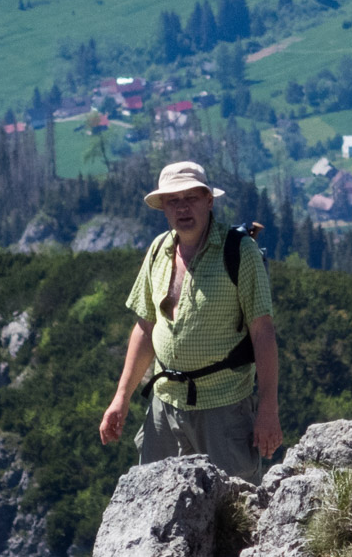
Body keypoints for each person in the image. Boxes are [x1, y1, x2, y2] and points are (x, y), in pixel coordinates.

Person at [99, 162, 281, 482]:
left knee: (234, 510)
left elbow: (262, 332)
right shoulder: (158, 250)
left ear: (209, 201)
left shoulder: (240, 252)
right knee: (156, 507)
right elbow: (145, 327)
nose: (183, 207)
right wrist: (121, 398)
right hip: (163, 408)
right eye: (173, 200)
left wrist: (268, 409)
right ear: (163, 208)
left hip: (224, 410)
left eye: (191, 198)